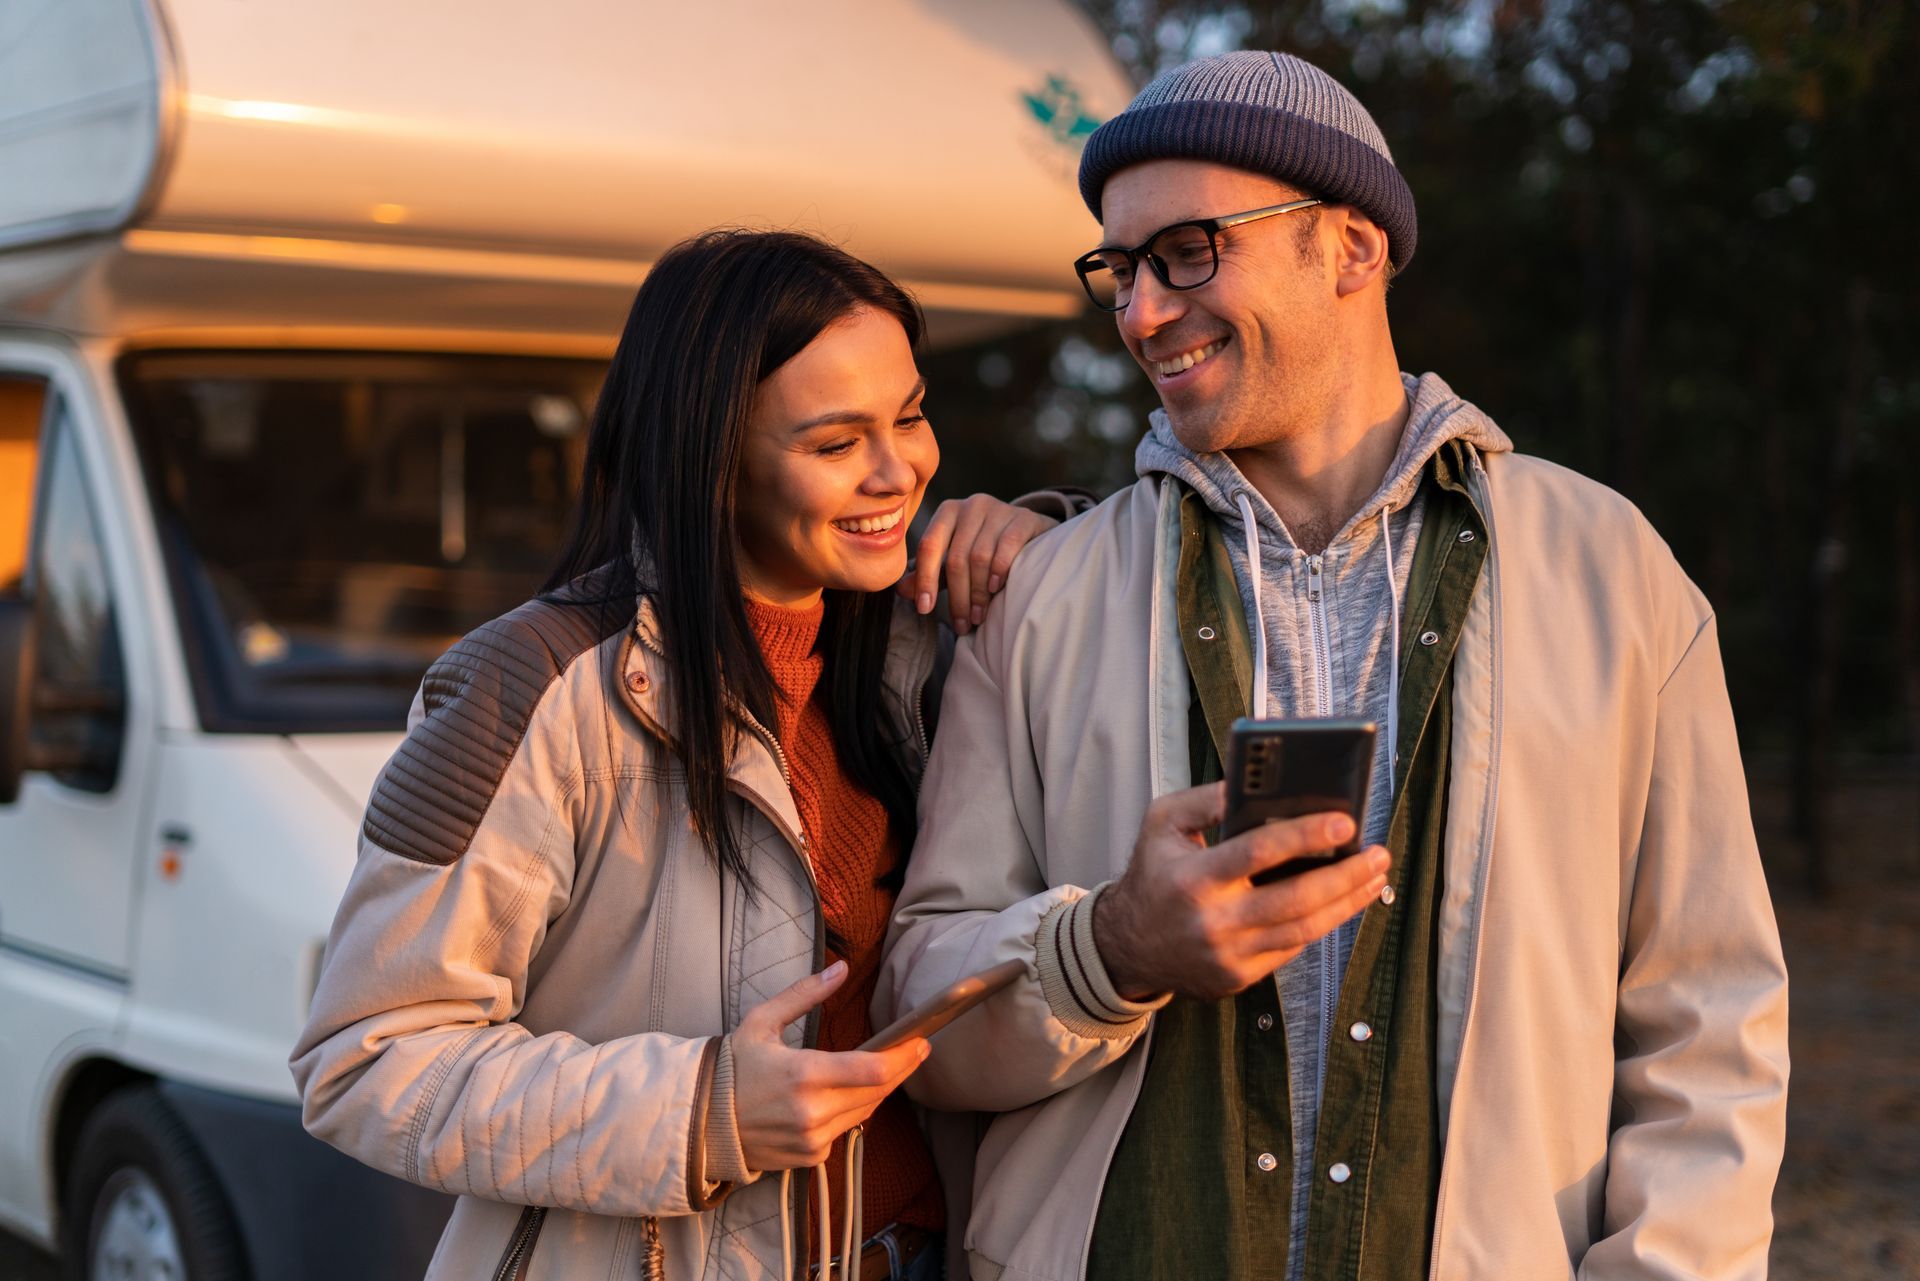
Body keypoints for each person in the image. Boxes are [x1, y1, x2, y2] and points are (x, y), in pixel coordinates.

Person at [879, 50, 1789, 1281]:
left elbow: (1708, 1021)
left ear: (1352, 251)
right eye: (1121, 270)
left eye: (1190, 250)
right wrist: (1115, 951)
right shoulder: (1038, 596)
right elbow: (919, 1017)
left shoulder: (1614, 575)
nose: (1142, 312)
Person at [291, 229, 1076, 1281]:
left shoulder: (914, 650)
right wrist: (704, 1113)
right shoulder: (532, 686)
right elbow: (366, 1062)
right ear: (713, 456)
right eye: (837, 443)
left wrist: (1040, 551)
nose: (900, 470)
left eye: (911, 414)